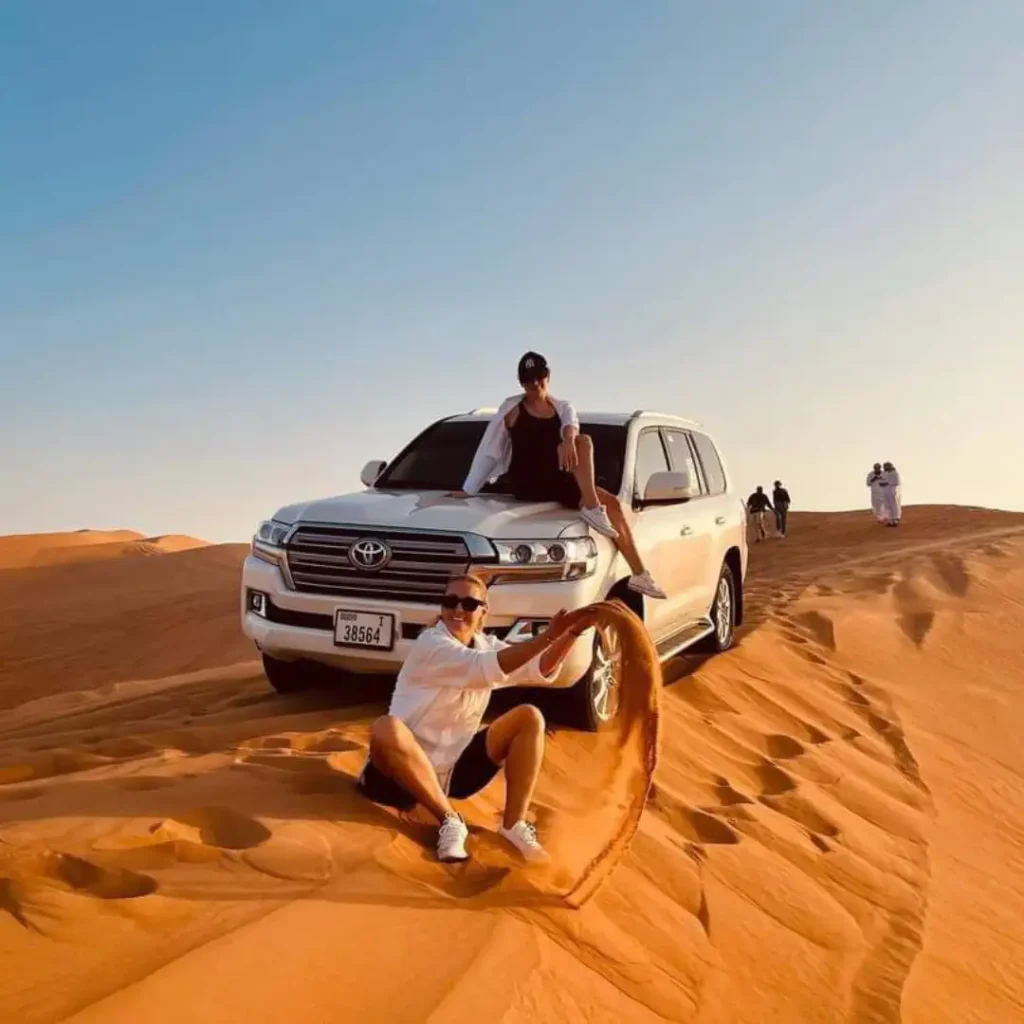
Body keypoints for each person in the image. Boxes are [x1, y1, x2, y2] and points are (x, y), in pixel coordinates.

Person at [357, 572, 602, 863]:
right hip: (395, 778)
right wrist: (548, 635)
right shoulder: (432, 644)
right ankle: (449, 821)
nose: (458, 610)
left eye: (469, 604)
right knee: (386, 728)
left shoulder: (486, 645)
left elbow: (539, 667)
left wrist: (572, 633)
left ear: (484, 612)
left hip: (454, 773)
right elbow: (484, 667)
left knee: (529, 717)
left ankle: (514, 825)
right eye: (450, 601)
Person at [453, 351, 666, 600]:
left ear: (548, 376)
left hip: (557, 480)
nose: (534, 384)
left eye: (539, 377)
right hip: (528, 481)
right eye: (528, 380)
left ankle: (638, 571)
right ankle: (593, 508)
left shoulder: (563, 408)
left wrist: (567, 440)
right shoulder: (512, 410)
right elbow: (490, 449)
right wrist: (470, 488)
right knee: (603, 491)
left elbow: (571, 424)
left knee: (584, 445)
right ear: (521, 383)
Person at [881, 461, 902, 527]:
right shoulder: (885, 473)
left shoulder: (895, 473)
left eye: (886, 466)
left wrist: (887, 483)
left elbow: (897, 482)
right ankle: (891, 520)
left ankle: (896, 519)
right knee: (887, 506)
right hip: (885, 491)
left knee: (894, 505)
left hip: (892, 491)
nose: (884, 468)